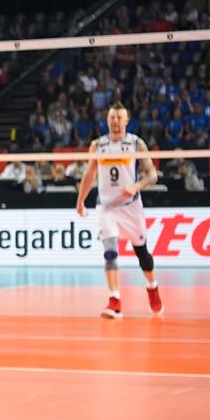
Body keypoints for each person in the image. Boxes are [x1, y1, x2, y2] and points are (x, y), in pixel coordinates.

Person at [76, 102, 163, 319]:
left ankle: (152, 287)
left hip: (131, 208)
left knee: (143, 255)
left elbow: (152, 175)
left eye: (119, 118)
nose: (115, 121)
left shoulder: (136, 143)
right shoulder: (98, 145)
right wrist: (80, 201)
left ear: (127, 120)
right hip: (106, 208)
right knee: (110, 252)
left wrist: (136, 186)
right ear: (107, 120)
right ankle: (114, 301)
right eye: (112, 118)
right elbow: (89, 175)